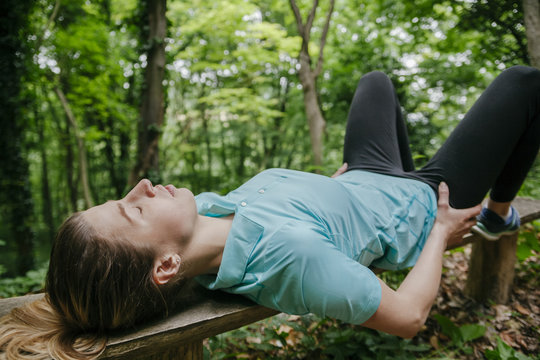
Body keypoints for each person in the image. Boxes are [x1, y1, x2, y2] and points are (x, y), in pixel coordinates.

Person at [1, 65, 539, 359]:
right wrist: (442, 232)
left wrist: (330, 190)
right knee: (524, 85)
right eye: (133, 210)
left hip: (366, 178)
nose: (141, 185)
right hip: (423, 204)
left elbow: (290, 207)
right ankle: (497, 211)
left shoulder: (208, 213)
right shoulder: (289, 259)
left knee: (376, 82)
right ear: (165, 266)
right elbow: (407, 320)